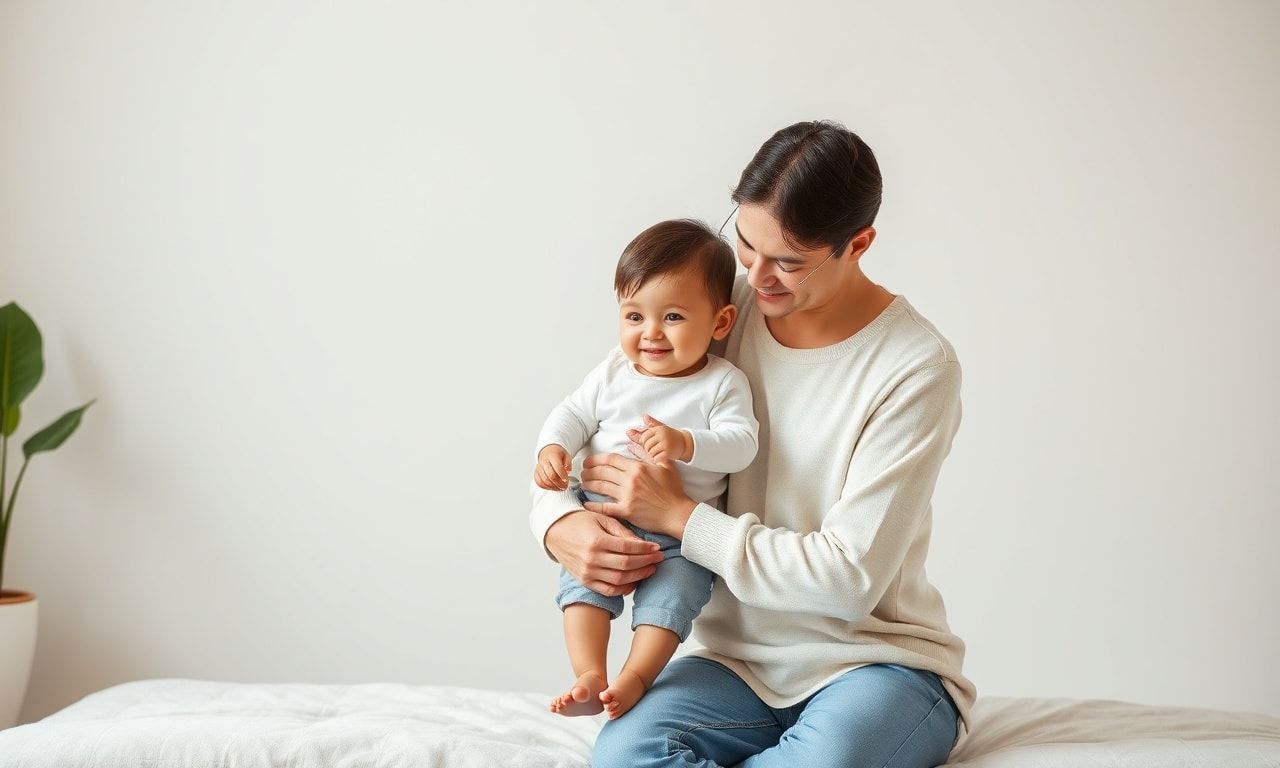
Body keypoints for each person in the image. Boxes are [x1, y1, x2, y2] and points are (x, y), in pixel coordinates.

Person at [530, 120, 977, 768]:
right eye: (745, 243)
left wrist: (680, 518)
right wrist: (558, 521)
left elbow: (849, 579)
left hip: (876, 665)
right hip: (735, 667)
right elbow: (595, 413)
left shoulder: (915, 367)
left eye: (788, 262)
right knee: (622, 757)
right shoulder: (718, 304)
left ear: (858, 244)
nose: (758, 277)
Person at [534, 219, 759, 721]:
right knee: (583, 589)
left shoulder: (722, 383)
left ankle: (635, 677)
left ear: (720, 323)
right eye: (634, 315)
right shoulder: (614, 369)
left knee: (672, 600)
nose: (650, 333)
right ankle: (590, 673)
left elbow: (742, 446)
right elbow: (571, 413)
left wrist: (685, 442)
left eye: (673, 316)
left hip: (680, 533)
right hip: (603, 515)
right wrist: (553, 447)